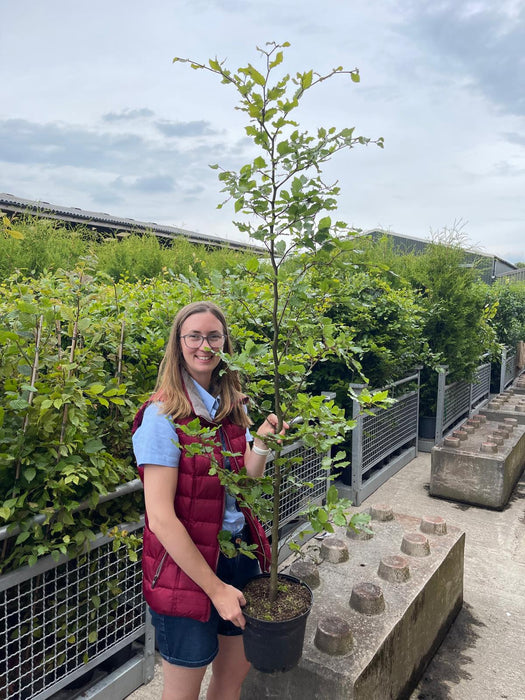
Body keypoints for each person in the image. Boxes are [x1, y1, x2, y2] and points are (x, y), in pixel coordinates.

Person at [132, 301, 283, 700]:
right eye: (194, 336)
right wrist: (215, 588)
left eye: (213, 336)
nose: (204, 345)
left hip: (239, 557)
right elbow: (161, 519)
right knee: (183, 693)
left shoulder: (232, 405)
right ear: (178, 343)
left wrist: (263, 440)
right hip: (186, 573)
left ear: (225, 343)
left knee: (231, 678)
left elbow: (248, 482)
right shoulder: (161, 417)